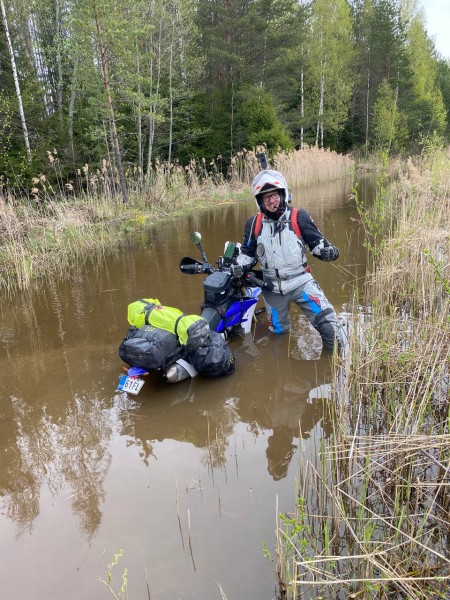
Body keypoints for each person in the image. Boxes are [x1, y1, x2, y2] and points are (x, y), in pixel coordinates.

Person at [234, 169, 343, 352]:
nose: (271, 201)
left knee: (331, 330)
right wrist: (238, 265)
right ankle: (282, 376)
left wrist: (330, 252)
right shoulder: (253, 223)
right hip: (272, 287)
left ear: (282, 194)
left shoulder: (299, 216)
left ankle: (330, 372)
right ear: (260, 201)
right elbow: (248, 254)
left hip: (301, 281)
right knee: (278, 336)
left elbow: (318, 245)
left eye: (274, 195)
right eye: (266, 197)